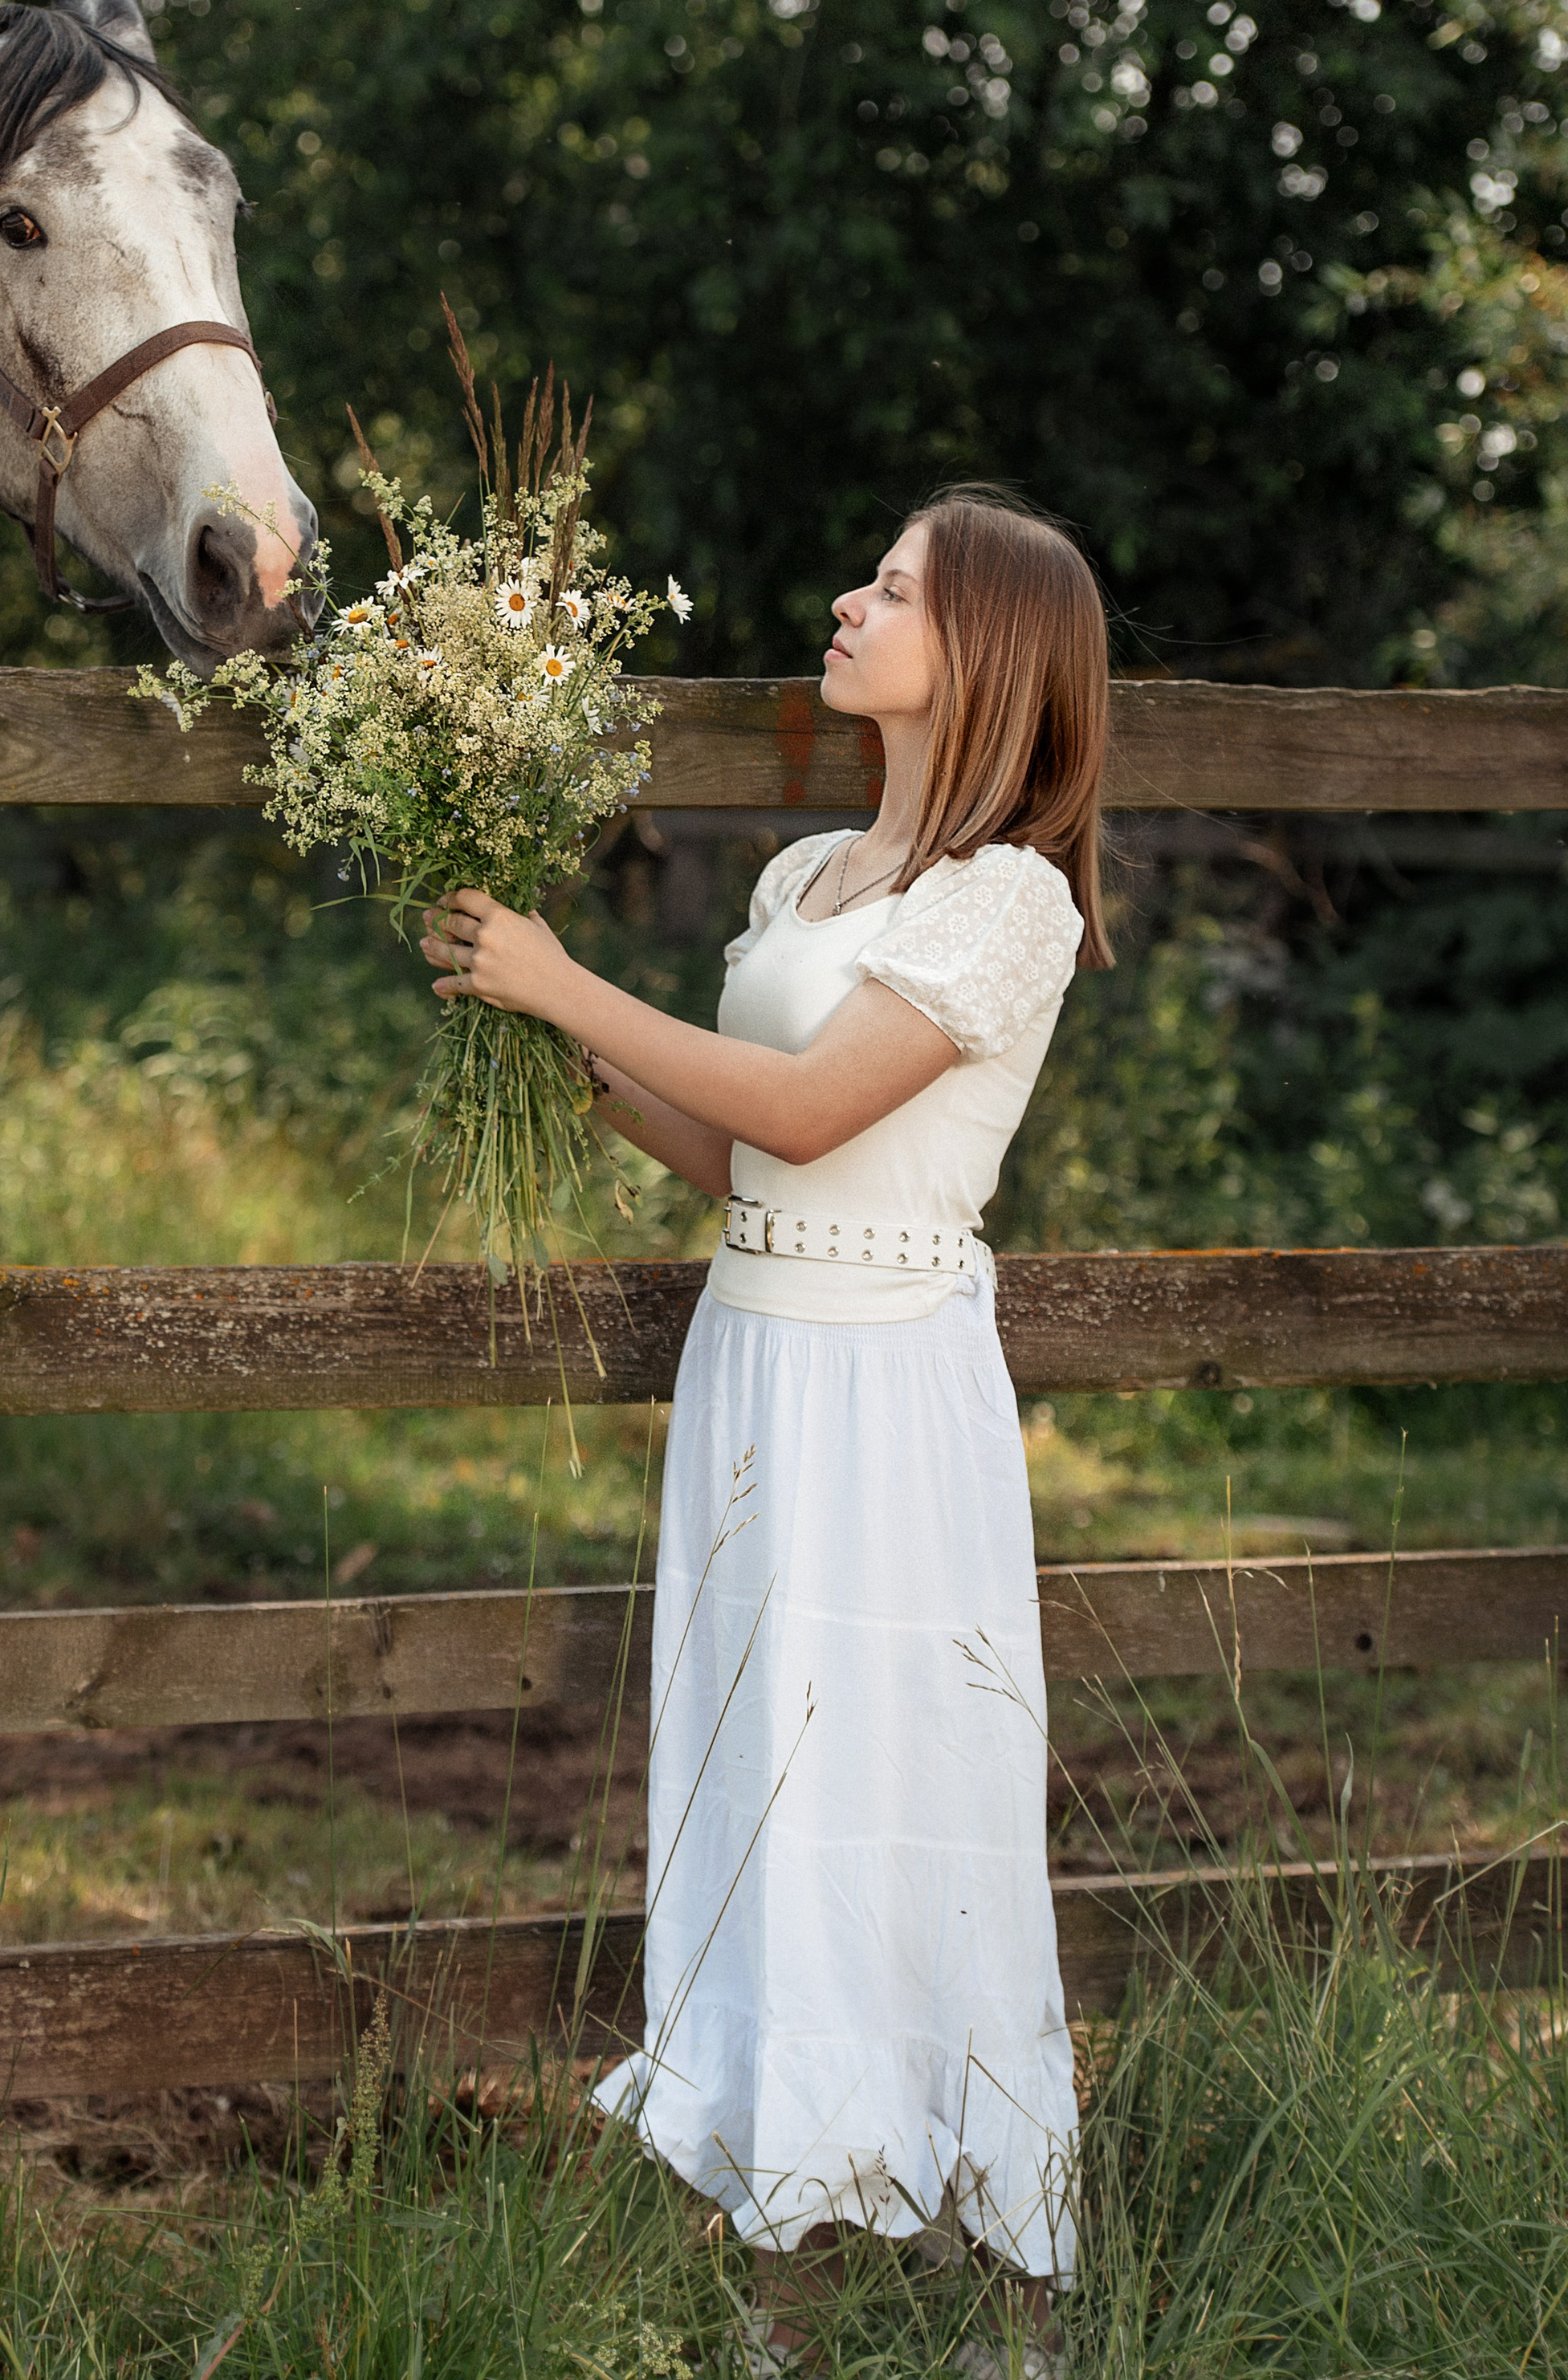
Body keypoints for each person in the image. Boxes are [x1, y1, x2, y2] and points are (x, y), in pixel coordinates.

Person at [419, 486, 1111, 2378]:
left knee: (910, 1787)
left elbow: (817, 1115)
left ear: (981, 655)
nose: (845, 601)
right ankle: (783, 2278)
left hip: (886, 1387)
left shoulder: (1009, 899)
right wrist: (558, 1049)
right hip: (754, 1358)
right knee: (760, 1797)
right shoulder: (804, 872)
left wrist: (575, 974)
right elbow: (736, 1156)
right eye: (866, 573)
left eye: (889, 590)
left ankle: (1011, 2290)